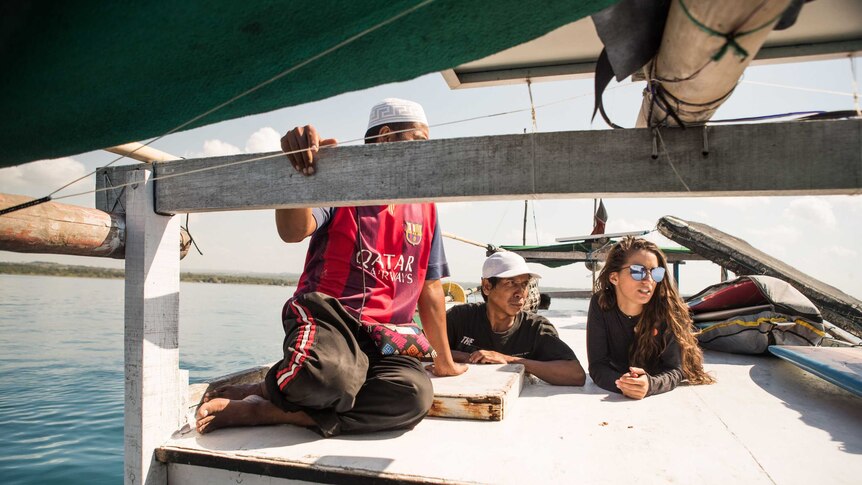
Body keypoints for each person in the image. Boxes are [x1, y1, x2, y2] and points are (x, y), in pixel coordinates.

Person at [196, 98, 467, 437]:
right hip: (331, 319)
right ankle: (270, 387)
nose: (426, 154)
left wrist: (444, 360)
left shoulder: (425, 207)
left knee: (413, 396)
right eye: (419, 142)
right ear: (384, 138)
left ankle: (272, 409)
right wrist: (299, 177)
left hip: (389, 336)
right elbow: (293, 231)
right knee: (327, 377)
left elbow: (430, 287)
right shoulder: (341, 183)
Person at [586, 237, 714, 399]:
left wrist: (650, 385)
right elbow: (597, 365)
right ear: (614, 278)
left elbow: (676, 369)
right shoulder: (601, 304)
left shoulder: (667, 308)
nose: (649, 280)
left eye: (656, 273)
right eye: (638, 271)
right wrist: (623, 384)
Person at [446, 252, 586, 386]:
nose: (520, 293)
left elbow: (576, 374)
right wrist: (470, 357)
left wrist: (508, 360)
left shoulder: (536, 328)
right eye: (511, 283)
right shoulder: (459, 318)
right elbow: (425, 350)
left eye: (524, 284)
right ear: (487, 286)